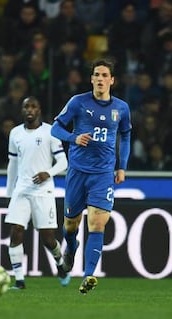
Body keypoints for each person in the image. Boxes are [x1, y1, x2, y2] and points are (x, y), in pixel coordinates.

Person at [51, 58, 132, 294]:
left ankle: (88, 276)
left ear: (112, 80)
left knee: (97, 223)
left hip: (104, 174)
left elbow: (125, 136)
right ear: (91, 79)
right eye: (96, 74)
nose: (100, 79)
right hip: (77, 171)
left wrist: (122, 167)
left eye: (105, 75)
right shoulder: (78, 102)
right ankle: (70, 247)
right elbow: (55, 128)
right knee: (70, 224)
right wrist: (73, 138)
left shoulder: (122, 108)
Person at [5, 96, 69, 289]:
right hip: (22, 190)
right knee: (16, 232)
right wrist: (9, 193)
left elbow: (63, 163)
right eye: (26, 107)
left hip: (44, 191)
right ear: (22, 110)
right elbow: (13, 164)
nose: (29, 110)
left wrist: (47, 173)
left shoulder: (51, 132)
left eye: (33, 106)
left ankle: (60, 263)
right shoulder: (15, 133)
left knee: (48, 238)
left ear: (39, 110)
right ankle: (19, 280)